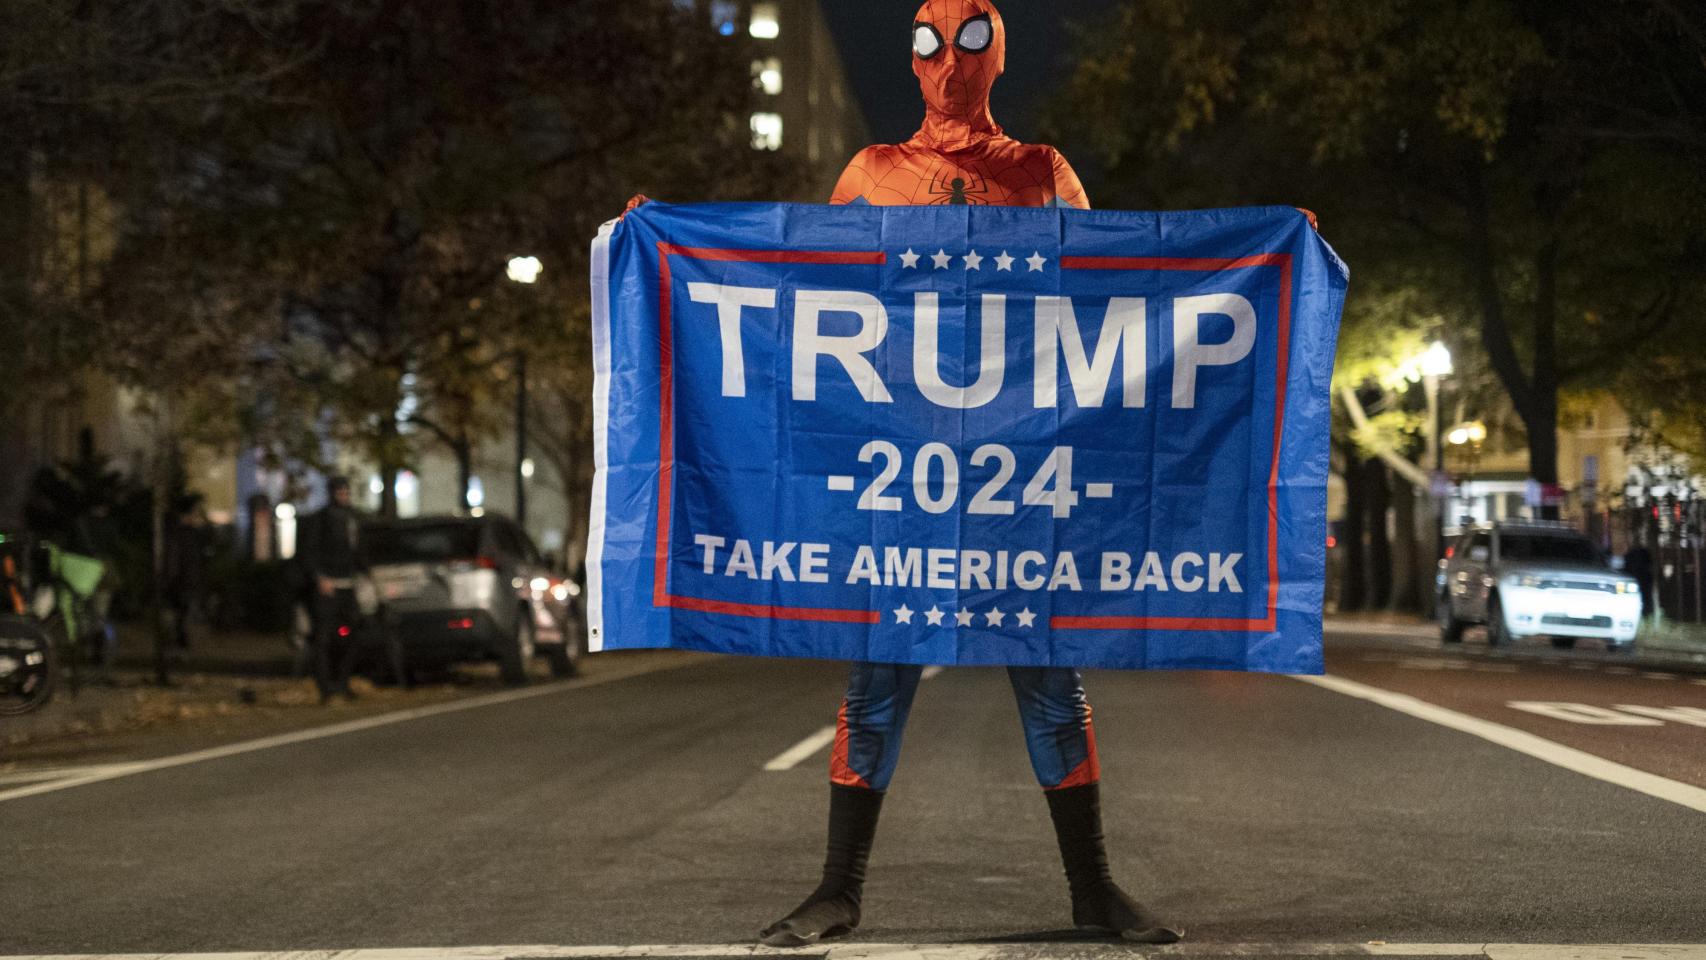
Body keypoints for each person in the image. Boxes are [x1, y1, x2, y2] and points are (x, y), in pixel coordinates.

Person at [761, 1, 1181, 947]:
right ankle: (837, 889)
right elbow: (797, 288)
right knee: (876, 681)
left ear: (1000, 53)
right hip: (904, 474)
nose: (949, 61)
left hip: (1012, 472)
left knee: (1047, 677)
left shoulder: (1042, 172)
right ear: (911, 60)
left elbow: (1117, 287)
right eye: (928, 43)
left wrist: (1262, 252)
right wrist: (654, 244)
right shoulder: (872, 174)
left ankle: (1093, 892)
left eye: (971, 39)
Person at [297, 476, 364, 702]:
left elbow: (359, 551)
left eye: (346, 492)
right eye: (340, 492)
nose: (344, 496)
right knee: (323, 637)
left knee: (353, 635)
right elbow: (310, 552)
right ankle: (325, 688)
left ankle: (343, 682)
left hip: (349, 583)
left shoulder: (353, 517)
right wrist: (319, 576)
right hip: (328, 586)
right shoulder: (321, 519)